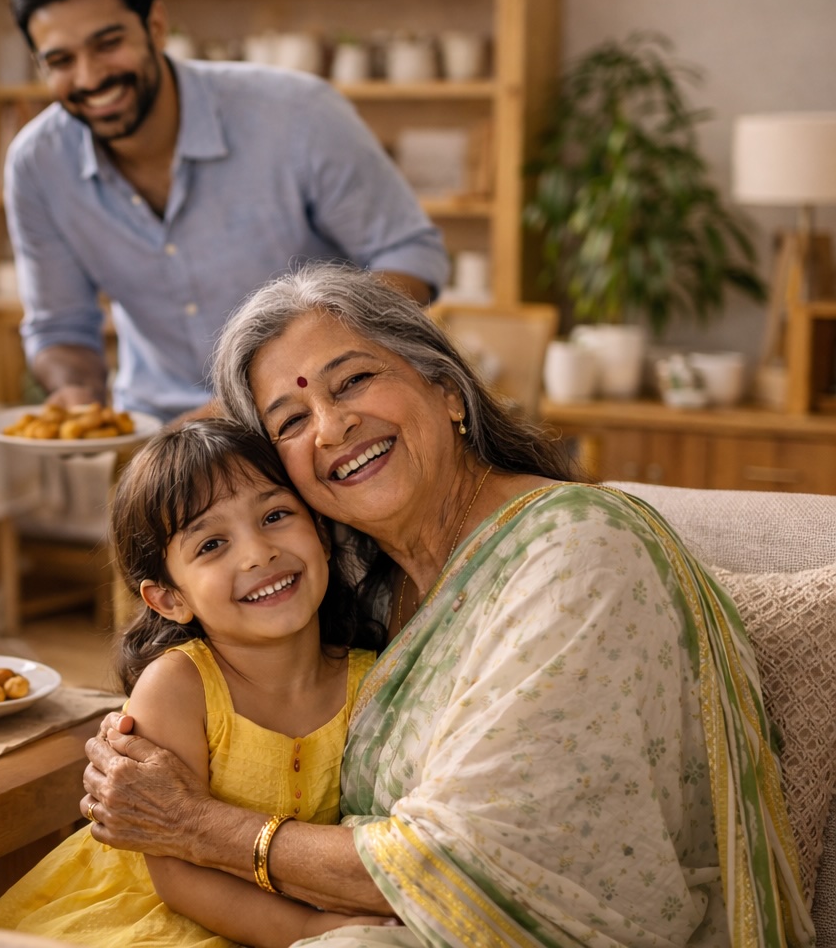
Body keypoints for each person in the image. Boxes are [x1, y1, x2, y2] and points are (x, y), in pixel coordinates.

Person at [79, 268, 812, 946]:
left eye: (353, 380)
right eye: (292, 421)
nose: (331, 428)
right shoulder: (362, 582)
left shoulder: (576, 554)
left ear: (448, 390)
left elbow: (466, 865)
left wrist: (198, 826)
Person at [5, 0, 448, 423]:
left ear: (156, 26)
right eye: (61, 61)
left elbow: (410, 258)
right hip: (162, 437)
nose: (89, 77)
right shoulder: (37, 165)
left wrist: (287, 375)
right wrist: (75, 393)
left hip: (314, 417)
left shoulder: (297, 114)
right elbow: (61, 327)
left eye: (108, 44)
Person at [0, 419, 388, 947]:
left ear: (322, 535)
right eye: (212, 544)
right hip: (152, 915)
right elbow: (177, 876)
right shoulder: (179, 686)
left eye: (275, 516)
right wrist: (308, 930)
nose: (257, 553)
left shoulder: (373, 677)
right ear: (169, 599)